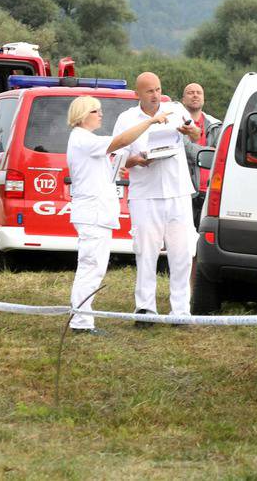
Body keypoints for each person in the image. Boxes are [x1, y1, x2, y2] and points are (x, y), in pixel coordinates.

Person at [66, 95, 166, 335]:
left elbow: (99, 169)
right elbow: (120, 141)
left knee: (93, 266)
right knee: (91, 266)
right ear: (82, 115)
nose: (100, 114)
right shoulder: (82, 139)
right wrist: (150, 123)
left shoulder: (85, 140)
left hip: (96, 213)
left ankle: (82, 318)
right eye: (95, 111)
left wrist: (115, 167)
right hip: (92, 213)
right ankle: (80, 321)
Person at [113, 73, 201, 324]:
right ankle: (145, 309)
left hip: (178, 191)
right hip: (145, 193)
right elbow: (119, 156)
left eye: (158, 90)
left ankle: (181, 312)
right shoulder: (127, 118)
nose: (155, 95)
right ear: (137, 94)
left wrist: (190, 129)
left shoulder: (174, 109)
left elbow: (195, 135)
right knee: (146, 251)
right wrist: (138, 160)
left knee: (182, 252)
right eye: (150, 91)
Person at [181, 82, 221, 224]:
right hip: (185, 192)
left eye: (199, 92)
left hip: (210, 192)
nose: (195, 95)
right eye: (190, 92)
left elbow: (220, 154)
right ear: (183, 100)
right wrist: (208, 153)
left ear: (204, 98)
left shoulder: (216, 125)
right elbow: (183, 148)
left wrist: (210, 153)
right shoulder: (178, 123)